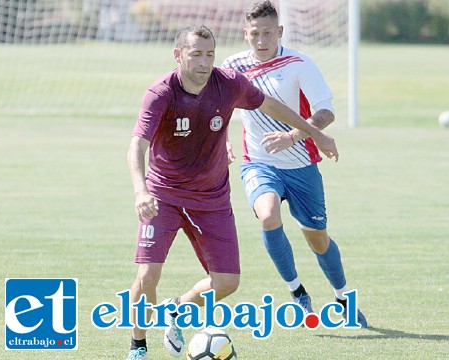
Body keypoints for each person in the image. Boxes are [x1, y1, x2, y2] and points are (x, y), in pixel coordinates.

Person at [125, 24, 339, 360]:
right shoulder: (161, 92)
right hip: (163, 195)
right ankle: (138, 346)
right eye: (196, 54)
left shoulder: (228, 84)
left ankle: (177, 311)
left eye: (210, 54)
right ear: (178, 55)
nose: (204, 61)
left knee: (226, 282)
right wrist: (141, 192)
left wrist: (315, 134)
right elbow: (137, 146)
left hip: (211, 199)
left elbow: (271, 106)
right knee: (148, 274)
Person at [221, 0, 367, 327]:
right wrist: (222, 143)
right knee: (268, 215)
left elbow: (326, 113)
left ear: (280, 32)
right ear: (246, 33)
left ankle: (343, 295)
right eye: (255, 33)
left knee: (317, 237)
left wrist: (293, 136)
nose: (261, 40)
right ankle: (298, 293)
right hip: (257, 163)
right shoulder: (232, 66)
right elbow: (217, 110)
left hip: (302, 166)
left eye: (268, 33)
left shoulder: (300, 63)